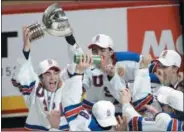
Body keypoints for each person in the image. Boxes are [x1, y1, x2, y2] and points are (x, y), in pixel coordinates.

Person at [11, 26, 70, 131]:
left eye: (55, 73)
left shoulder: (66, 88)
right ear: (41, 78)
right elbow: (19, 76)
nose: (52, 77)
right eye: (47, 74)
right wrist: (26, 49)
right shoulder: (33, 90)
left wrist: (70, 36)